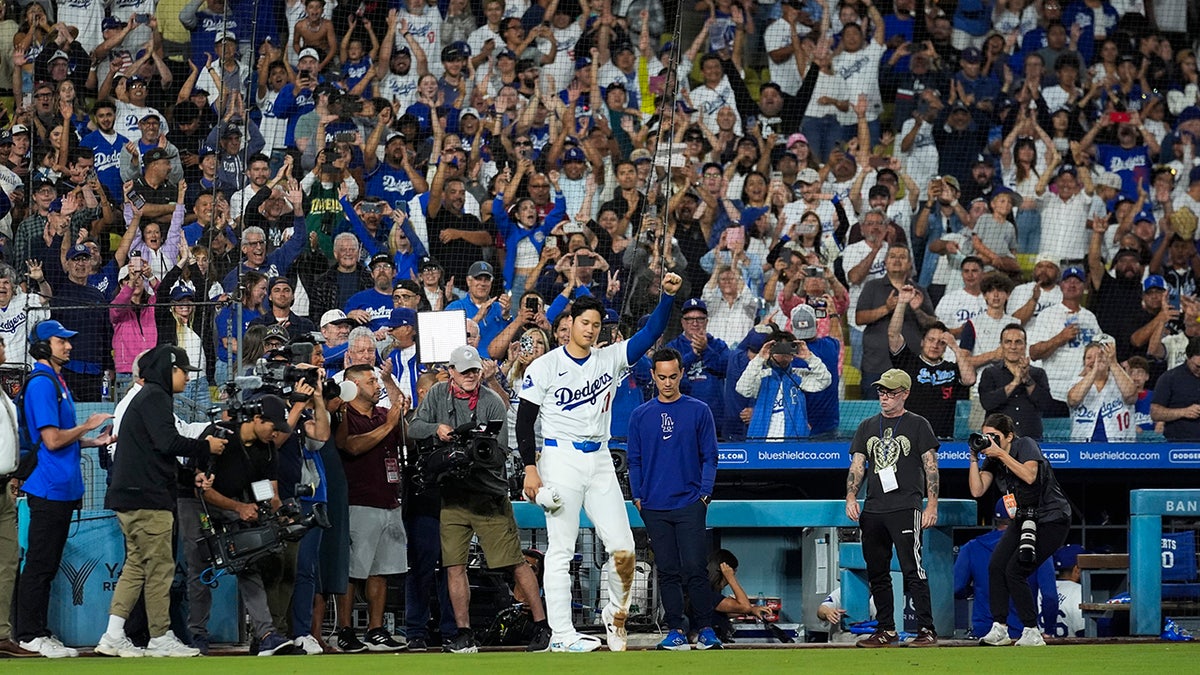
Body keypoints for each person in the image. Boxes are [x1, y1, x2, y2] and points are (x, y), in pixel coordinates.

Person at [517, 272, 683, 653]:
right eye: (585, 323)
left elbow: (649, 335)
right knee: (561, 548)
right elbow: (525, 421)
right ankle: (561, 635)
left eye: (596, 324)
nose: (591, 330)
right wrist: (531, 467)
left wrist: (667, 298)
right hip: (559, 458)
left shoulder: (608, 358)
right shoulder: (543, 366)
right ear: (569, 325)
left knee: (624, 548)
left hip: (601, 460)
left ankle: (615, 614)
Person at [409, 344, 551, 654]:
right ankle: (463, 633)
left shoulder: (492, 402)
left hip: (488, 495)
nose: (472, 376)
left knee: (514, 561)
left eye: (475, 370)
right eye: (465, 371)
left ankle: (542, 627)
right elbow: (414, 427)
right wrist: (439, 429)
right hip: (453, 497)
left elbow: (497, 454)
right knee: (454, 565)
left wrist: (472, 449)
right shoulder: (436, 395)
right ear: (451, 372)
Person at [96, 345, 227, 658]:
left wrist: (187, 477)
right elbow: (168, 443)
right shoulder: (155, 396)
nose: (186, 378)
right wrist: (205, 446)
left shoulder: (147, 397)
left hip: (131, 496)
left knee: (137, 567)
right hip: (148, 499)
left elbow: (157, 453)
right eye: (184, 371)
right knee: (159, 569)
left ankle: (113, 635)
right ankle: (159, 637)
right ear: (170, 371)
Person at [15, 320, 115, 658]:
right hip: (48, 488)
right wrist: (86, 425)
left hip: (61, 488)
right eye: (61, 341)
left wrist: (91, 439)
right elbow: (52, 439)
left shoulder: (56, 380)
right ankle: (29, 634)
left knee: (47, 565)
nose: (69, 346)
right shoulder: (42, 384)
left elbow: (61, 439)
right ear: (44, 346)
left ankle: (38, 630)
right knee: (40, 565)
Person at [627, 348, 721, 652]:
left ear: (681, 374)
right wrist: (639, 497)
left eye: (673, 376)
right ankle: (675, 630)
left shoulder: (699, 410)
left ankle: (705, 629)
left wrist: (704, 494)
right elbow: (634, 460)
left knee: (695, 567)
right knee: (667, 570)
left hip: (690, 503)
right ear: (653, 376)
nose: (667, 382)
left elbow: (710, 457)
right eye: (662, 377)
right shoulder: (640, 415)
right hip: (654, 506)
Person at [844, 368, 940, 647]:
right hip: (874, 508)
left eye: (891, 393)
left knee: (913, 569)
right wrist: (851, 497)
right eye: (881, 392)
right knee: (877, 571)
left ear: (905, 394)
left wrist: (931, 504)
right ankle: (886, 629)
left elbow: (931, 466)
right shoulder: (867, 426)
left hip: (905, 506)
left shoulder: (918, 424)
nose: (884, 398)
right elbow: (858, 464)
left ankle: (927, 630)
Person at [199, 394, 299, 656]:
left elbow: (269, 494)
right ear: (256, 418)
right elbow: (204, 491)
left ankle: (266, 635)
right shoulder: (221, 435)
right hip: (195, 503)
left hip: (234, 505)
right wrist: (240, 508)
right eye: (273, 427)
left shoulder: (267, 450)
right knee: (196, 569)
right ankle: (196, 637)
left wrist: (281, 516)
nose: (275, 433)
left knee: (248, 564)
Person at [968, 412, 1072, 647]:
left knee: (1015, 570)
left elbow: (1029, 476)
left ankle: (1032, 631)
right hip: (1024, 517)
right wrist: (974, 458)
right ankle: (1000, 628)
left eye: (994, 436)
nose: (989, 441)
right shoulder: (992, 458)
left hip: (1052, 519)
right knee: (996, 566)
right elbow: (977, 490)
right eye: (985, 437)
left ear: (1009, 436)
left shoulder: (1025, 444)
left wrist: (1001, 454)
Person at [333, 364, 409, 652]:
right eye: (371, 380)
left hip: (389, 500)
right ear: (353, 384)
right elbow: (350, 447)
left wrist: (397, 417)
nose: (376, 384)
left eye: (376, 379)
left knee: (382, 570)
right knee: (354, 571)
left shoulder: (381, 413)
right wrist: (388, 425)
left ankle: (375, 630)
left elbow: (407, 440)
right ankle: (344, 629)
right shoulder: (344, 415)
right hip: (359, 502)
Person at [954, 497, 1058, 641]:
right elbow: (1050, 596)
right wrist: (1049, 630)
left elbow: (957, 588)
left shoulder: (972, 547)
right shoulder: (1037, 547)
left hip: (985, 632)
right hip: (1023, 634)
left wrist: (977, 591)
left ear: (996, 520)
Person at [734, 325, 833, 440]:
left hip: (794, 445)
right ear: (770, 351)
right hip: (761, 444)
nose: (783, 352)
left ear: (793, 353)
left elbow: (825, 380)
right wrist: (760, 358)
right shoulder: (762, 376)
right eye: (779, 348)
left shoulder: (799, 376)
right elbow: (742, 388)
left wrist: (809, 357)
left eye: (787, 348)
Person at [979, 324, 1055, 439]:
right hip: (998, 441)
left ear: (1025, 346)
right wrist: (1015, 382)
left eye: (1018, 342)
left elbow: (1046, 404)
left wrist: (1027, 380)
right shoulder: (990, 373)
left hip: (1031, 441)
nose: (1013, 346)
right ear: (1001, 346)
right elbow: (988, 403)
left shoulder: (1038, 374)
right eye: (1008, 342)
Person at [1066, 339, 1138, 442]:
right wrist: (1094, 370)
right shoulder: (1077, 381)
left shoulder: (1119, 380)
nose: (1094, 360)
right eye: (1089, 358)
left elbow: (1131, 395)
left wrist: (1113, 363)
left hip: (1120, 448)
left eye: (1099, 357)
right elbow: (1073, 400)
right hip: (1082, 449)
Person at [1150, 336, 1200, 442]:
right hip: (1179, 447)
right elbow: (1155, 413)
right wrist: (1184, 412)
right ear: (1188, 357)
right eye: (1198, 366)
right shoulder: (1170, 378)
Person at [1052, 544, 1086, 638]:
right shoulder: (1079, 591)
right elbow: (1083, 632)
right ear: (1077, 569)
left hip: (1043, 646)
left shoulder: (1042, 590)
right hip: (1071, 647)